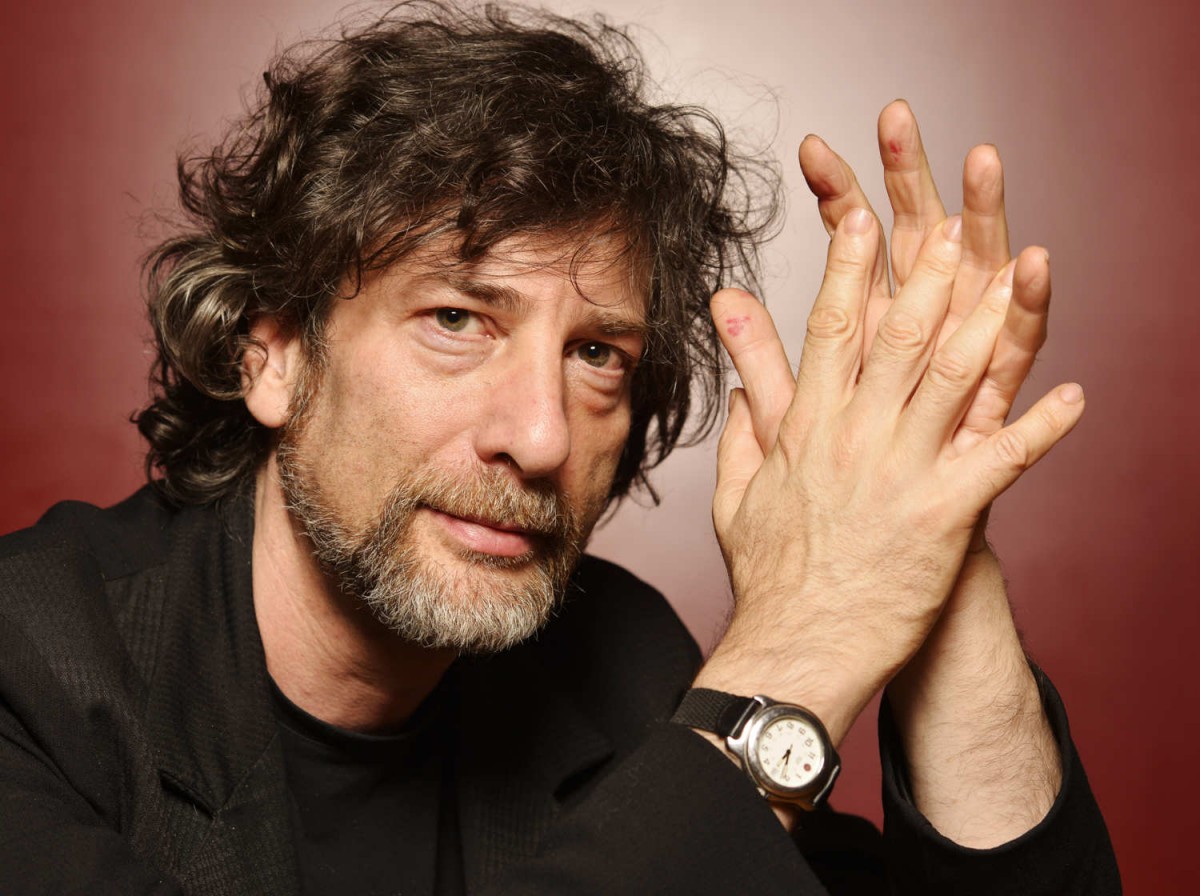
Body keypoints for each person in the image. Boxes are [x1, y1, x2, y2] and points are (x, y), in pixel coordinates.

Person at [0, 3, 1119, 893]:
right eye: (456, 320)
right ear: (275, 355)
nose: (539, 436)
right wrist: (796, 658)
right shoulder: (29, 669)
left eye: (595, 353)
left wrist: (933, 515)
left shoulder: (621, 663)